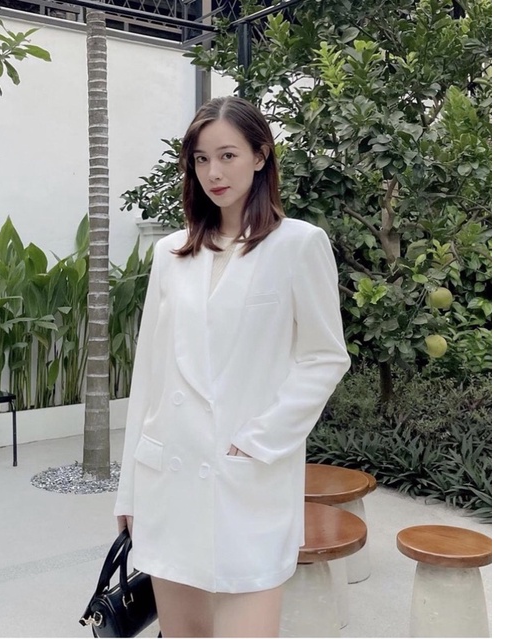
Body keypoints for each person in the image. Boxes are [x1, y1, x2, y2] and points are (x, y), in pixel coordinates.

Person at [114, 95, 351, 637]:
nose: (213, 173)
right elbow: (149, 374)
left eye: (227, 155)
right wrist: (128, 490)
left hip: (246, 476)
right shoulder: (171, 252)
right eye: (201, 159)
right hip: (170, 477)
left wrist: (258, 440)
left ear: (260, 156)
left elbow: (323, 356)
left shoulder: (298, 244)